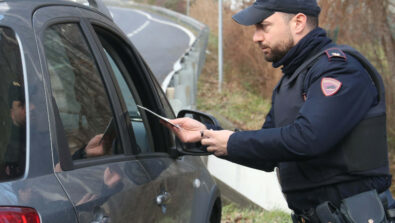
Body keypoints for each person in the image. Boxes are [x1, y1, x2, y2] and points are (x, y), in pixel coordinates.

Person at [165, 0, 392, 221]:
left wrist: (231, 141)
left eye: (264, 26)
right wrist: (207, 135)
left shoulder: (338, 70)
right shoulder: (291, 80)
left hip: (355, 215)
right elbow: (268, 151)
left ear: (298, 22)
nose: (256, 37)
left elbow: (308, 138)